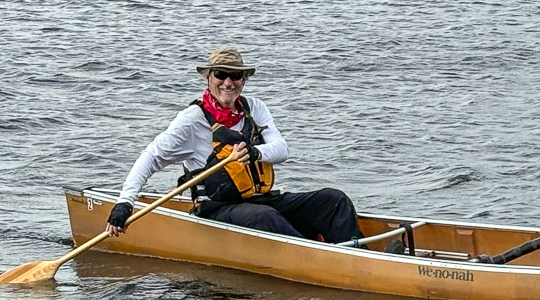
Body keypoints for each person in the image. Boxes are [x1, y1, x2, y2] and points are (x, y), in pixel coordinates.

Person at [104, 46, 362, 244]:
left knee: (333, 200)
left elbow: (281, 149)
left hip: (260, 200)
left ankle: (355, 251)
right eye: (221, 74)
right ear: (208, 77)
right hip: (217, 209)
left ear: (243, 79)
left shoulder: (255, 108)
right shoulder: (192, 120)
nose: (228, 82)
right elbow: (151, 158)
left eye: (235, 76)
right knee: (266, 218)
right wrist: (125, 202)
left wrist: (254, 152)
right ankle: (320, 254)